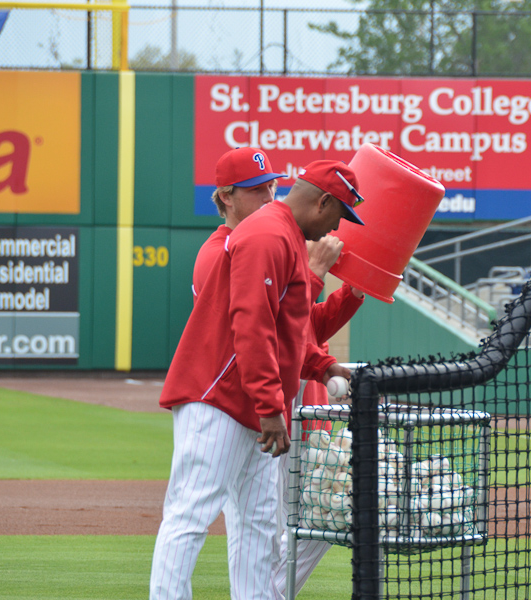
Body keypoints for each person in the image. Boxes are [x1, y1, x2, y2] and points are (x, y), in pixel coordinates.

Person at [150, 156, 366, 600]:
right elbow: (252, 325)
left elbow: (289, 330)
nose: (336, 228)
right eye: (338, 214)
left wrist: (322, 366)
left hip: (253, 404)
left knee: (259, 526)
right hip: (219, 398)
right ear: (323, 201)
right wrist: (272, 408)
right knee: (191, 514)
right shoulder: (268, 234)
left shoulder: (281, 233)